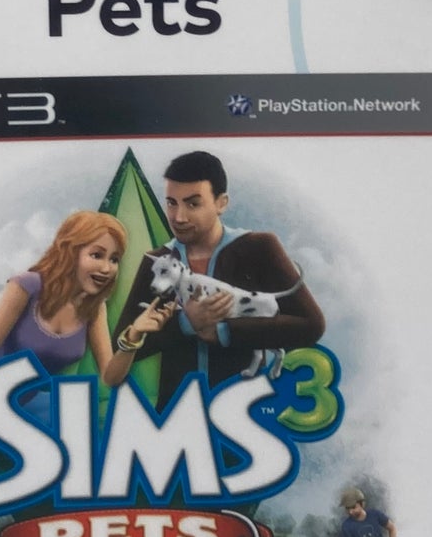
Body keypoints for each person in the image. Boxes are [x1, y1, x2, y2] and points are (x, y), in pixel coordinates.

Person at [112, 150, 324, 410]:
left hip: (248, 409)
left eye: (193, 204)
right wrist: (186, 323)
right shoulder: (157, 261)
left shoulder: (260, 247)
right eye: (171, 203)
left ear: (221, 203)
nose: (178, 217)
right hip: (175, 414)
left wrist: (225, 332)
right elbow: (119, 344)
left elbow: (311, 325)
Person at [0, 209, 174, 388]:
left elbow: (110, 377)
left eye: (114, 259)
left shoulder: (94, 308)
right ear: (70, 252)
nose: (106, 268)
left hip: (40, 404)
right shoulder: (24, 287)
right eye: (96, 255)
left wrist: (134, 334)